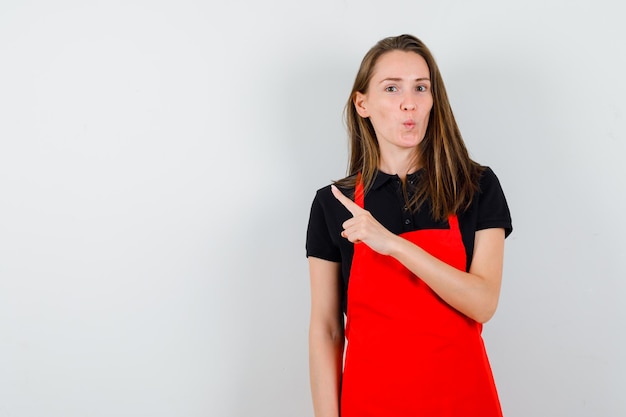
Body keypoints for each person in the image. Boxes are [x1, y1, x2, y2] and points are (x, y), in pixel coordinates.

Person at [305, 34, 513, 417]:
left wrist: (394, 245)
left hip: (464, 402)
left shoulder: (476, 187)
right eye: (391, 88)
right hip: (371, 404)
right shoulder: (333, 204)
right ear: (362, 104)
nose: (409, 102)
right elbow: (327, 329)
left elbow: (483, 303)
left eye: (421, 87)